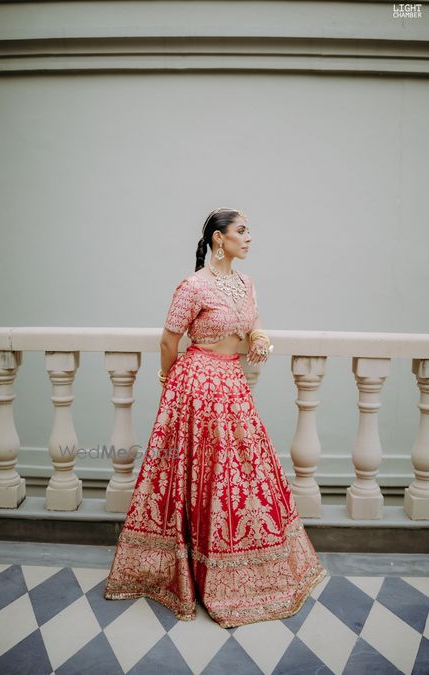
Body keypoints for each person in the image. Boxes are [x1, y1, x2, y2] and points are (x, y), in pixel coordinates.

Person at [103, 207, 327, 628]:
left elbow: (253, 319)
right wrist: (171, 385)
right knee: (201, 476)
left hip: (233, 386)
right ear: (218, 239)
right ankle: (188, 569)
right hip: (197, 386)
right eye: (241, 231)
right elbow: (169, 340)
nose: (249, 238)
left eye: (248, 232)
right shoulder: (193, 286)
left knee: (240, 474)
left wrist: (259, 336)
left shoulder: (246, 283)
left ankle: (243, 568)